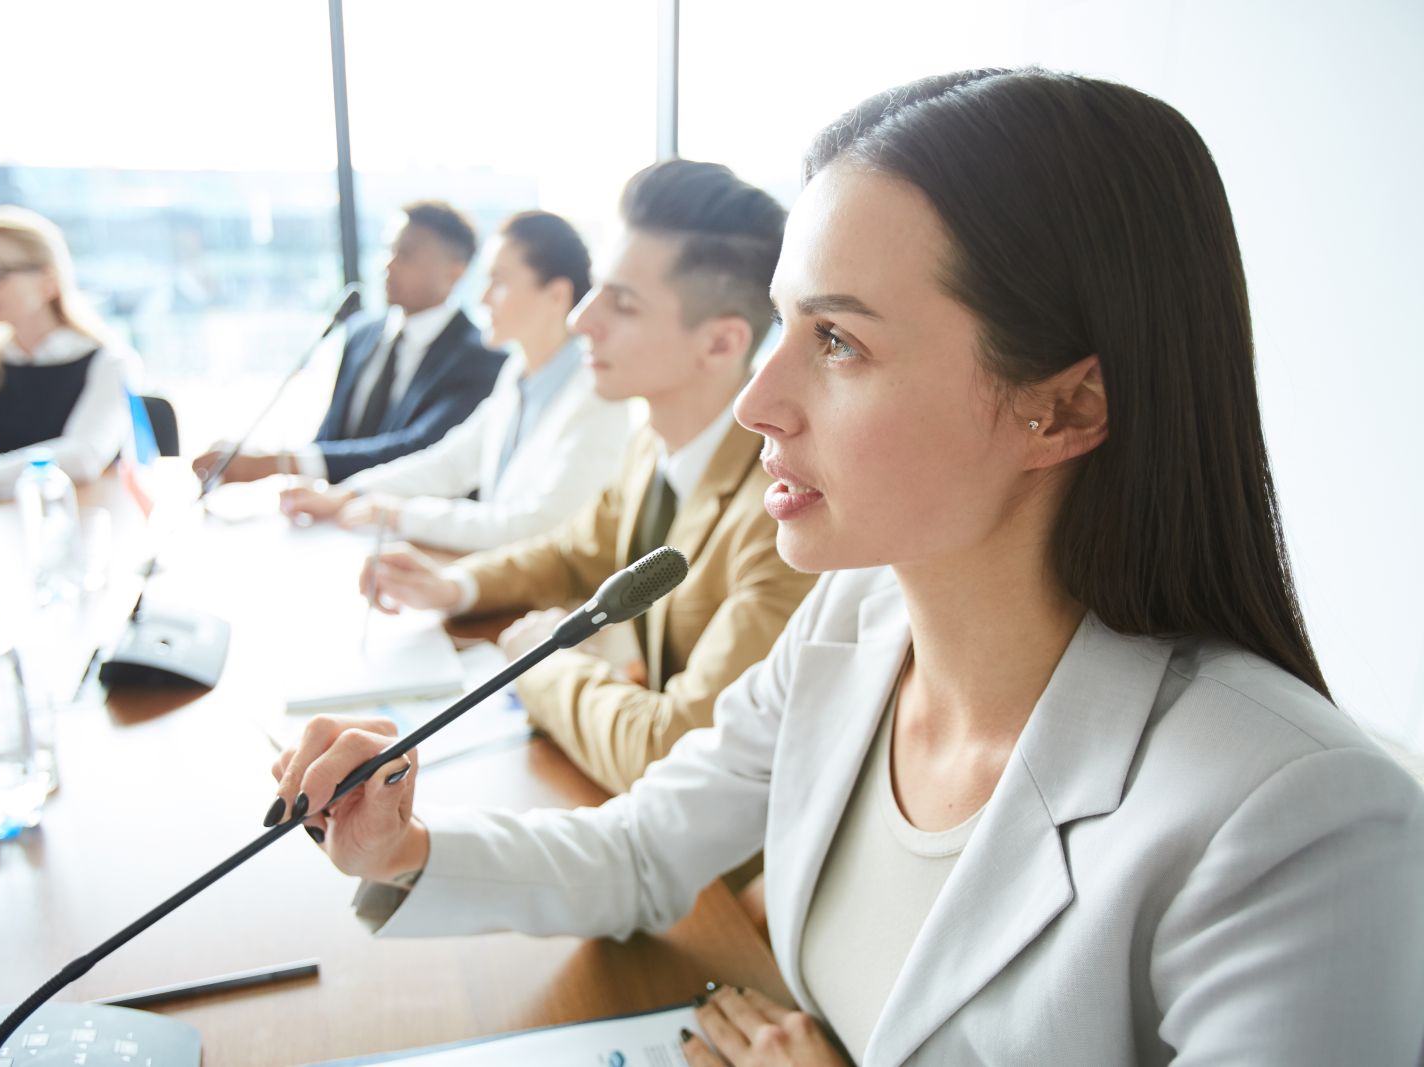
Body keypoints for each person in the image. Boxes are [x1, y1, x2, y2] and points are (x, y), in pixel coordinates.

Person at [267, 70, 1424, 1065]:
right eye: (780, 325)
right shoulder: (854, 622)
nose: (761, 402)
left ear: (1065, 406)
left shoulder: (1296, 825)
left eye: (837, 340)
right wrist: (404, 846)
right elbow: (638, 848)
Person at [353, 161, 819, 795]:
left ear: (719, 344)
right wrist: (455, 586)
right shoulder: (651, 443)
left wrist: (540, 663)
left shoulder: (780, 516)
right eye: (597, 288)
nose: (581, 320)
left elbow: (670, 748)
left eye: (621, 304)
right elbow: (576, 551)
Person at [278, 210, 632, 552]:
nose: (481, 298)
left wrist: (400, 514)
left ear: (556, 295)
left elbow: (536, 526)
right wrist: (352, 494)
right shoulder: (518, 373)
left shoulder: (598, 396)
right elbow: (451, 462)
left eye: (499, 283)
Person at [193, 201, 504, 486]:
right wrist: (267, 462)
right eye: (388, 250)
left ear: (455, 271)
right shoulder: (361, 333)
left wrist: (279, 463)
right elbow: (330, 438)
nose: (388, 265)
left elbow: (421, 452)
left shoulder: (481, 358)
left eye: (406, 255)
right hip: (329, 516)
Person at [0, 205, 141, 499]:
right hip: (7, 521)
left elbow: (83, 458)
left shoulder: (109, 361)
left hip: (95, 518)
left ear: (48, 279)